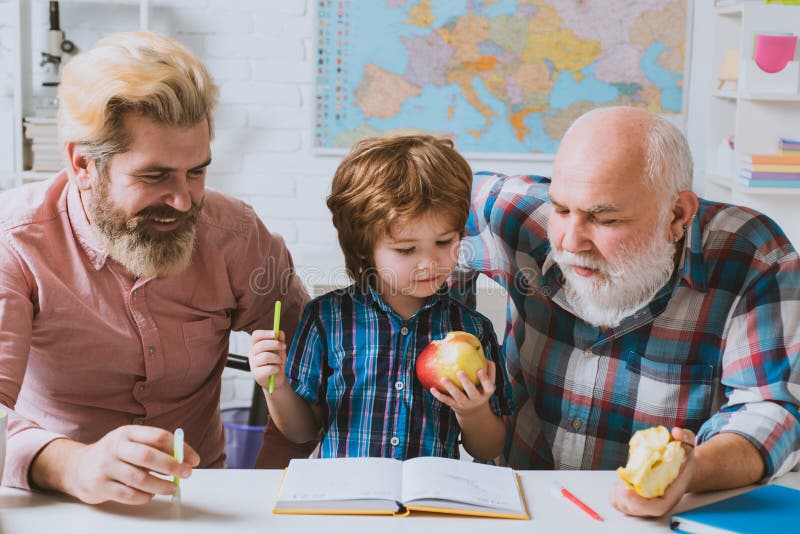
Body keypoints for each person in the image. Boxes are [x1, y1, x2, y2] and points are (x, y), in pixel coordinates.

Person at [0, 31, 309, 504]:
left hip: (202, 504)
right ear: (83, 165)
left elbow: (322, 370)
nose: (184, 201)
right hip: (52, 504)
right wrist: (72, 465)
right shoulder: (16, 241)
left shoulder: (238, 236)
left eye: (197, 171)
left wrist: (268, 489)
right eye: (154, 175)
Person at [461, 106, 800, 516]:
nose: (569, 241)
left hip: (649, 520)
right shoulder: (518, 214)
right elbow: (408, 206)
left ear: (677, 215)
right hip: (516, 507)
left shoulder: (755, 257)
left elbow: (772, 408)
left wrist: (690, 470)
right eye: (562, 210)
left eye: (603, 219)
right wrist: (454, 320)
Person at [249, 136, 513, 461]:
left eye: (444, 242)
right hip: (347, 504)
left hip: (429, 506)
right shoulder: (325, 318)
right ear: (363, 246)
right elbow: (302, 432)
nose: (430, 262)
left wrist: (473, 412)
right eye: (406, 249)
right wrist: (275, 385)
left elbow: (489, 449)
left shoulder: (472, 328)